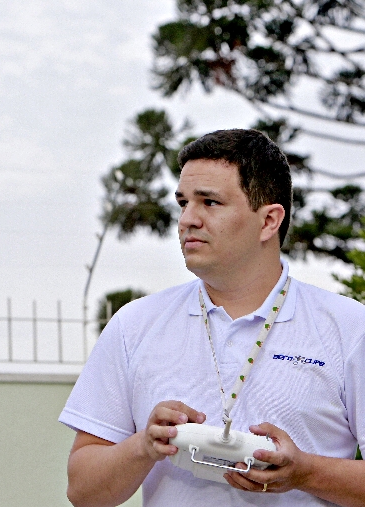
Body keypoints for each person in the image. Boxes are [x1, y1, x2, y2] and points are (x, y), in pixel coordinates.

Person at [60, 129, 365, 506]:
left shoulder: (351, 328)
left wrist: (303, 472)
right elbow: (83, 491)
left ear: (269, 221)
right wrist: (144, 446)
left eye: (210, 202)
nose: (187, 219)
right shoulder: (134, 325)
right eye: (183, 202)